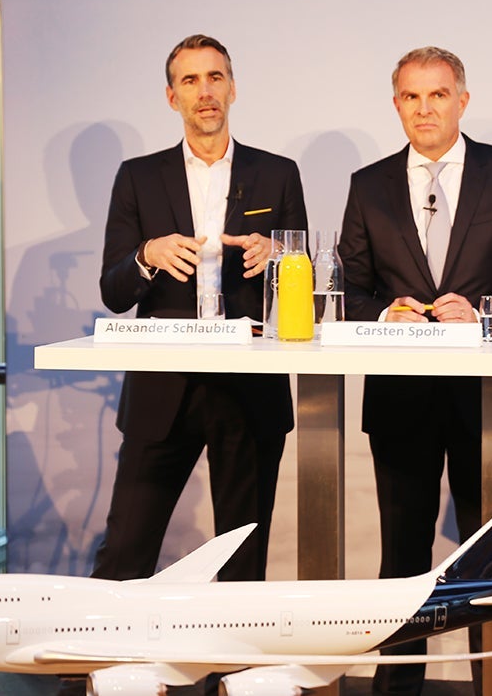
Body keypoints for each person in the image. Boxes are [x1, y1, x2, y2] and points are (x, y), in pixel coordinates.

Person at [338, 46, 492, 696]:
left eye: (438, 95)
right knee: (403, 563)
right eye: (412, 96)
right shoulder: (368, 184)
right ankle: (396, 691)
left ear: (463, 100)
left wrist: (490, 311)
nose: (425, 108)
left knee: (489, 566)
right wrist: (387, 313)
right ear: (396, 105)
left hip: (486, 399)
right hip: (399, 400)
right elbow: (348, 287)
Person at [93, 33, 308, 583]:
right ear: (173, 97)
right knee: (125, 553)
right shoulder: (138, 177)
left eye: (215, 77)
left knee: (241, 566)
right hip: (162, 387)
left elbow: (303, 286)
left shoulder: (278, 173)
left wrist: (280, 258)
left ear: (233, 88)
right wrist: (147, 255)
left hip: (249, 386)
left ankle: (232, 647)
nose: (205, 91)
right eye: (190, 80)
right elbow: (114, 291)